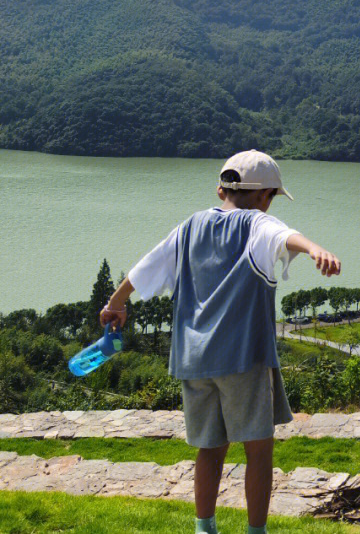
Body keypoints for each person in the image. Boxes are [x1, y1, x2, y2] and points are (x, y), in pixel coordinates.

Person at [99, 150, 341, 534]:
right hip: (243, 357)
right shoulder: (258, 225)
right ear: (265, 195)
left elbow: (143, 269)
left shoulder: (190, 227)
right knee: (258, 451)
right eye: (273, 196)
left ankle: (204, 528)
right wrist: (315, 249)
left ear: (221, 190)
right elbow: (284, 236)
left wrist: (115, 304)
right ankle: (255, 532)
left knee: (209, 449)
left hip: (194, 361)